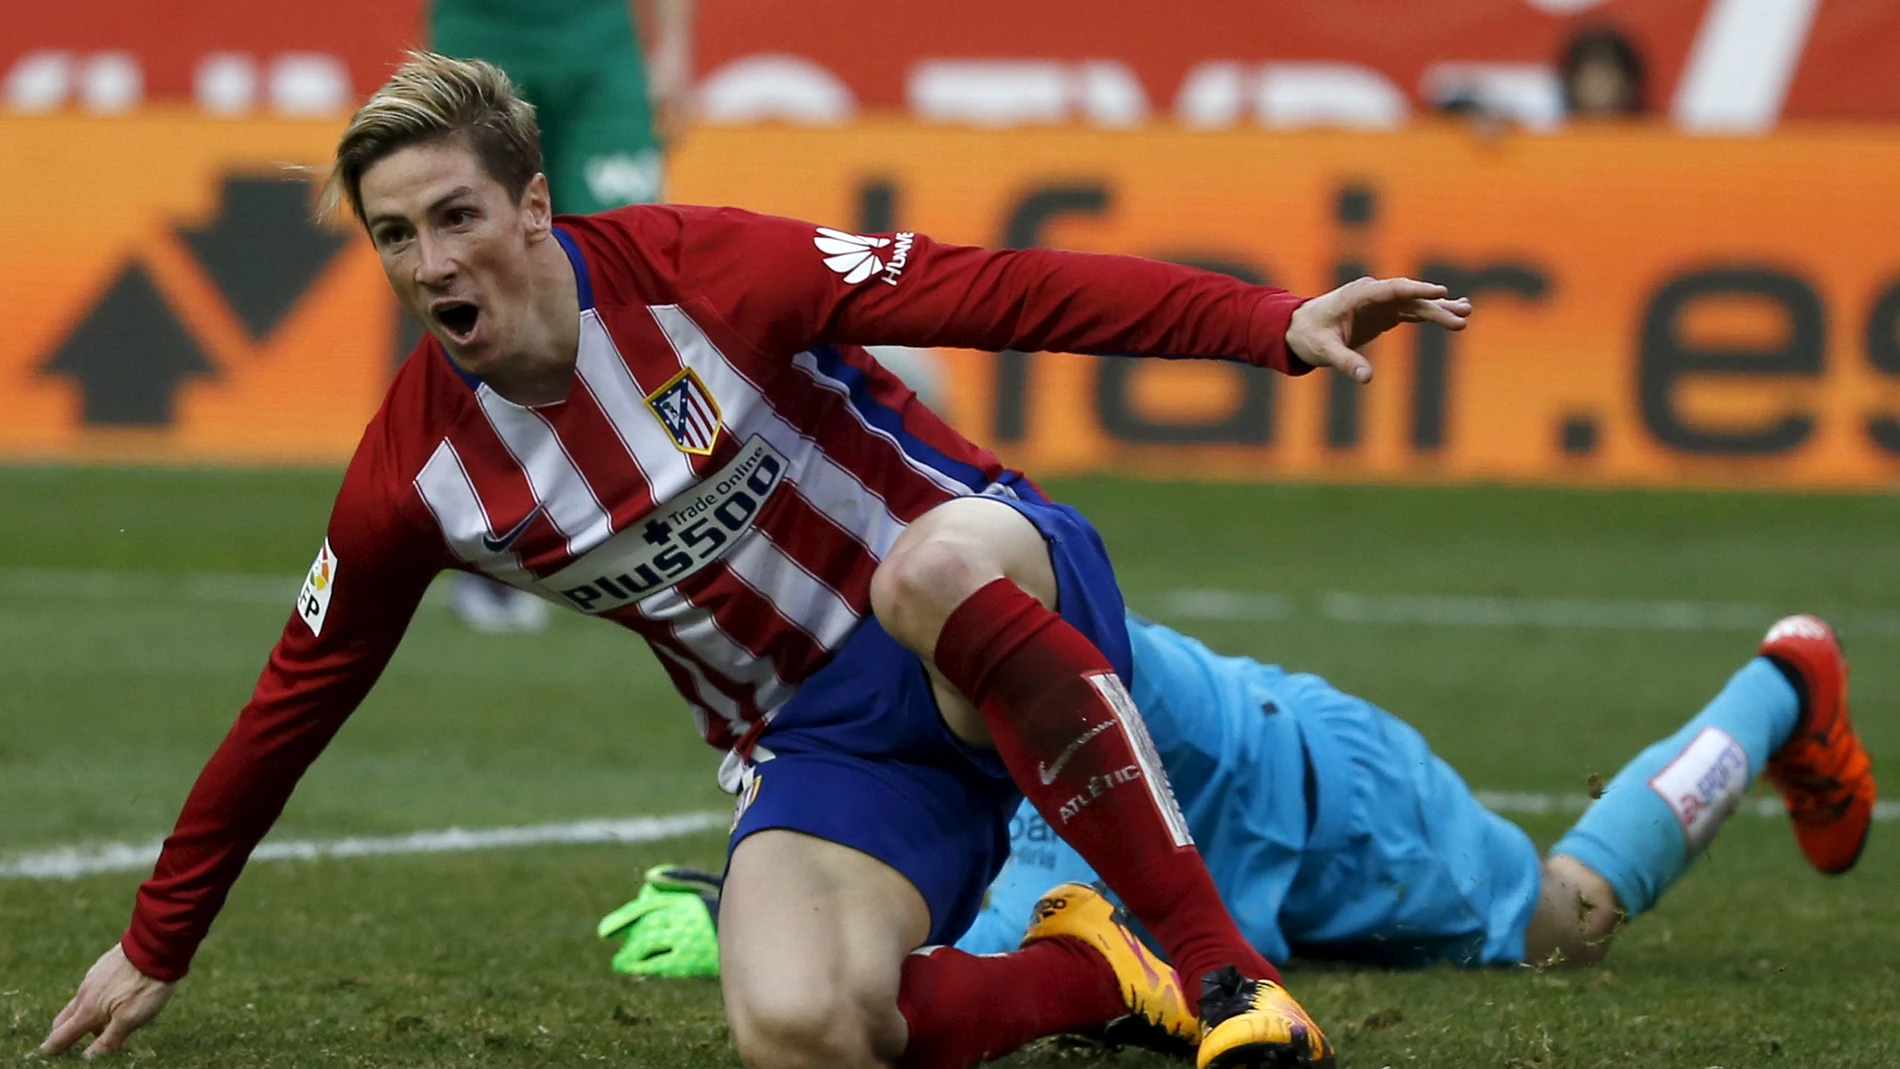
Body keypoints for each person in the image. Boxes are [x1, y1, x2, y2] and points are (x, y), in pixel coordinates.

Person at [36, 53, 1473, 1068]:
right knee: (796, 1028)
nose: (429, 263)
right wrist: (160, 942)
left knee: (921, 576)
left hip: (986, 576)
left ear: (533, 209)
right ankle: (1096, 968)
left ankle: (1229, 971)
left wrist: (1266, 325)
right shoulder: (417, 475)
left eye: (456, 217)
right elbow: (295, 695)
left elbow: (993, 284)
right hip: (828, 739)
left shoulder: (703, 271)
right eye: (397, 237)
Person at [603, 613, 1874, 1027]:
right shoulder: (897, 641)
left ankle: (1784, 688)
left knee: (1568, 922)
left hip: (1323, 796)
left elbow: (1035, 934)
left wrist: (745, 930)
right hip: (1218, 777)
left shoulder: (1010, 679)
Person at [431, 0, 694, 632]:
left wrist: (677, 45)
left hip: (597, 37)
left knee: (632, 268)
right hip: (479, 31)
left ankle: (685, 510)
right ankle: (494, 537)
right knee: (481, 279)